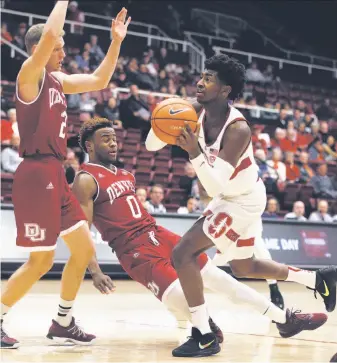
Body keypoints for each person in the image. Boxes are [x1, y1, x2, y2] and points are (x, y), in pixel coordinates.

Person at [145, 54, 335, 357]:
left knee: (182, 254)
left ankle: (203, 334)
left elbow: (214, 185)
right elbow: (149, 146)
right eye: (202, 75)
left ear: (224, 89)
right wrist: (162, 122)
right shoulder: (194, 111)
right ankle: (317, 279)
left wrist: (194, 152)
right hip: (232, 197)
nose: (200, 81)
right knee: (244, 266)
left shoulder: (238, 130)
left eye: (208, 78)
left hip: (241, 200)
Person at [73, 118, 305, 348]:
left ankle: (283, 319)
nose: (113, 144)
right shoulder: (85, 180)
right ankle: (204, 329)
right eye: (105, 139)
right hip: (134, 250)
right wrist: (94, 271)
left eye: (114, 139)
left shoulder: (125, 174)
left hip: (157, 233)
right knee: (176, 294)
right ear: (90, 146)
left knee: (221, 280)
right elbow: (82, 230)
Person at [0, 2, 131, 349]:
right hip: (35, 173)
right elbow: (51, 35)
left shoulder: (58, 80)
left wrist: (116, 41)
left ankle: (63, 320)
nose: (63, 53)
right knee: (41, 260)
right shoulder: (30, 74)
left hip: (56, 173)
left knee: (83, 248)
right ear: (39, 48)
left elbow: (100, 79)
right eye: (57, 47)